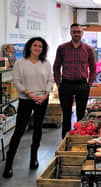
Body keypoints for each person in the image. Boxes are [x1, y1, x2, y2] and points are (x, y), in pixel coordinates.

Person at [2, 37, 53, 178]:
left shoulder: (46, 63)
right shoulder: (20, 63)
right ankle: (9, 165)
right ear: (30, 47)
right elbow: (17, 82)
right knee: (19, 130)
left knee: (38, 128)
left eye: (40, 46)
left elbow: (50, 80)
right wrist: (29, 94)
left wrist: (46, 94)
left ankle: (34, 158)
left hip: (42, 99)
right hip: (26, 99)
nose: (37, 48)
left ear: (43, 49)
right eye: (35, 45)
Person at [53, 23, 95, 138]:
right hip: (66, 85)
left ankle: (79, 139)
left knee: (81, 115)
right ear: (70, 33)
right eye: (74, 32)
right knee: (66, 115)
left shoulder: (88, 49)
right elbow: (56, 67)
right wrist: (58, 84)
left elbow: (93, 68)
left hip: (82, 85)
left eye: (78, 32)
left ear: (82, 33)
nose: (76, 34)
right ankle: (65, 140)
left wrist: (89, 84)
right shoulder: (62, 48)